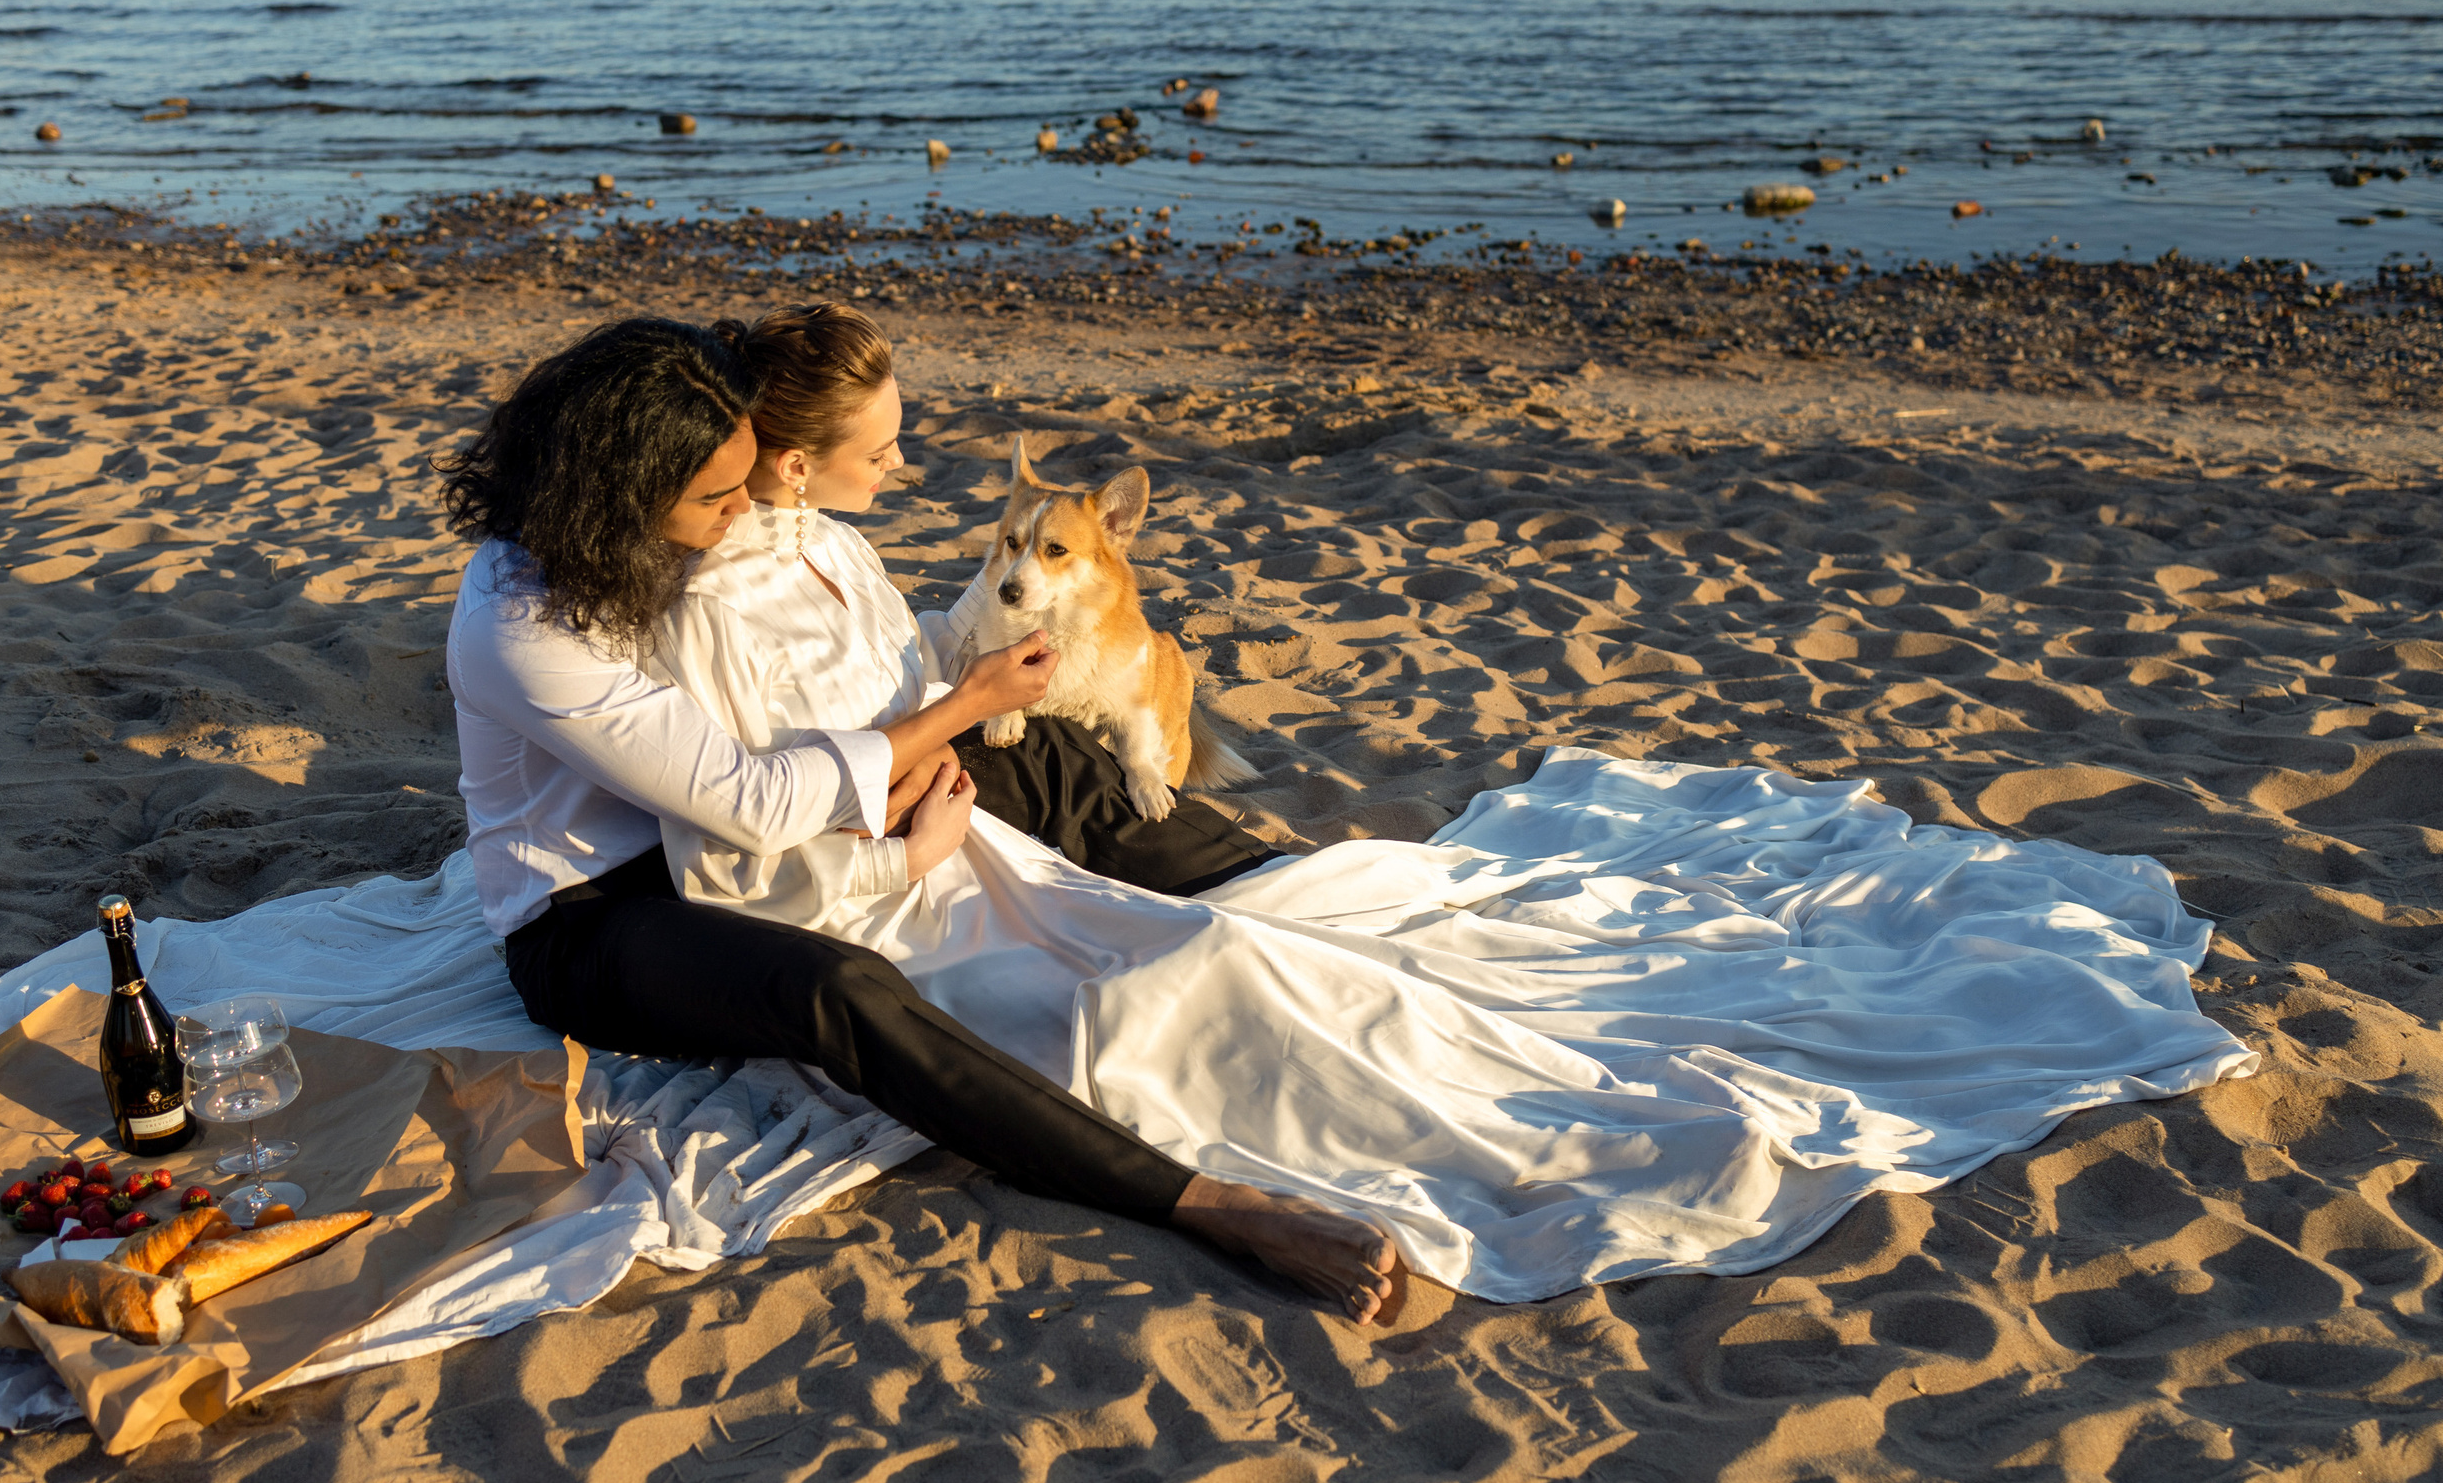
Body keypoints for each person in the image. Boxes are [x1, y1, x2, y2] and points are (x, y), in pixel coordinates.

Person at [640, 304, 2262, 1306]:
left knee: (1296, 920)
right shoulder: (722, 600)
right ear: (792, 461)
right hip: (869, 888)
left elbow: (906, 674)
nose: (908, 463)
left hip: (944, 830)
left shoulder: (838, 551)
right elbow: (765, 809)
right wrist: (943, 763)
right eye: (883, 443)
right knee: (1189, 988)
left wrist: (956, 729)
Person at [436, 317, 1399, 1325]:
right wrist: (920, 786)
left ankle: (1268, 885)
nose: (737, 514)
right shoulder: (522, 625)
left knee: (1051, 755)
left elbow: (770, 743)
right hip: (596, 914)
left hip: (727, 822)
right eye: (717, 497)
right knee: (840, 988)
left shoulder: (646, 541)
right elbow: (747, 801)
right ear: (620, 490)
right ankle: (1208, 1204)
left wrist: (927, 740)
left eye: (741, 484)